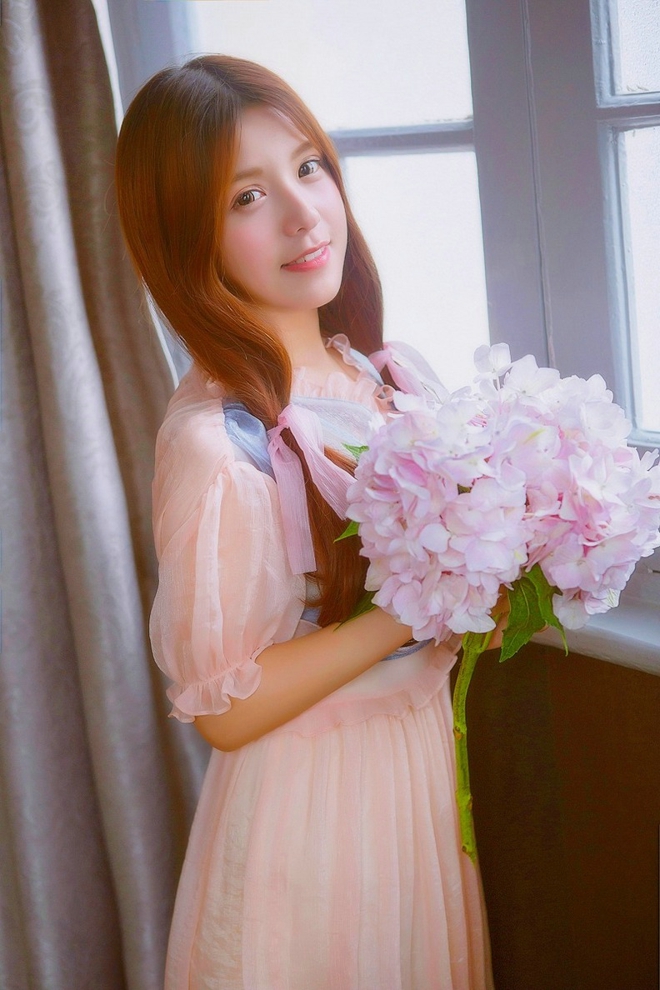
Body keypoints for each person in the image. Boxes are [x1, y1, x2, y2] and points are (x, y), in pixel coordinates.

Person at [115, 55, 497, 990]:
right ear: (187, 237)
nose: (303, 214)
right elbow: (226, 709)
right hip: (313, 812)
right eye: (247, 197)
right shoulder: (220, 444)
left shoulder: (386, 379)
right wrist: (410, 611)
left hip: (413, 782)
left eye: (308, 167)